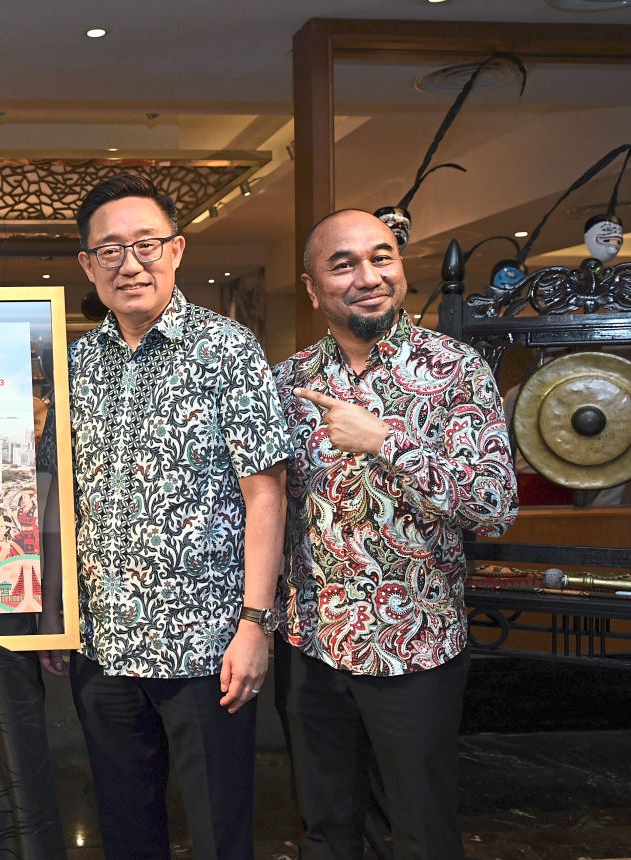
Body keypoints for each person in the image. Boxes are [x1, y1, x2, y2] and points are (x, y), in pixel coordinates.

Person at [273, 208, 518, 859]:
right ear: (312, 287)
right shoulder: (288, 383)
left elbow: (493, 505)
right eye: (344, 263)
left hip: (416, 649)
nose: (368, 276)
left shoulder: (455, 370)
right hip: (313, 648)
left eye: (381, 257)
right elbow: (269, 510)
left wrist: (385, 440)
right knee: (326, 832)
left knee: (420, 835)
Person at [58, 174, 289, 859]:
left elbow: (266, 495)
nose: (130, 264)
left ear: (177, 249)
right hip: (101, 648)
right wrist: (57, 615)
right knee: (126, 831)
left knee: (220, 833)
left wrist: (254, 625)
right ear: (87, 264)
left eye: (146, 245)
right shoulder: (75, 365)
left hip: (206, 650)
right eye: (110, 250)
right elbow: (56, 494)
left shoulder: (229, 351)